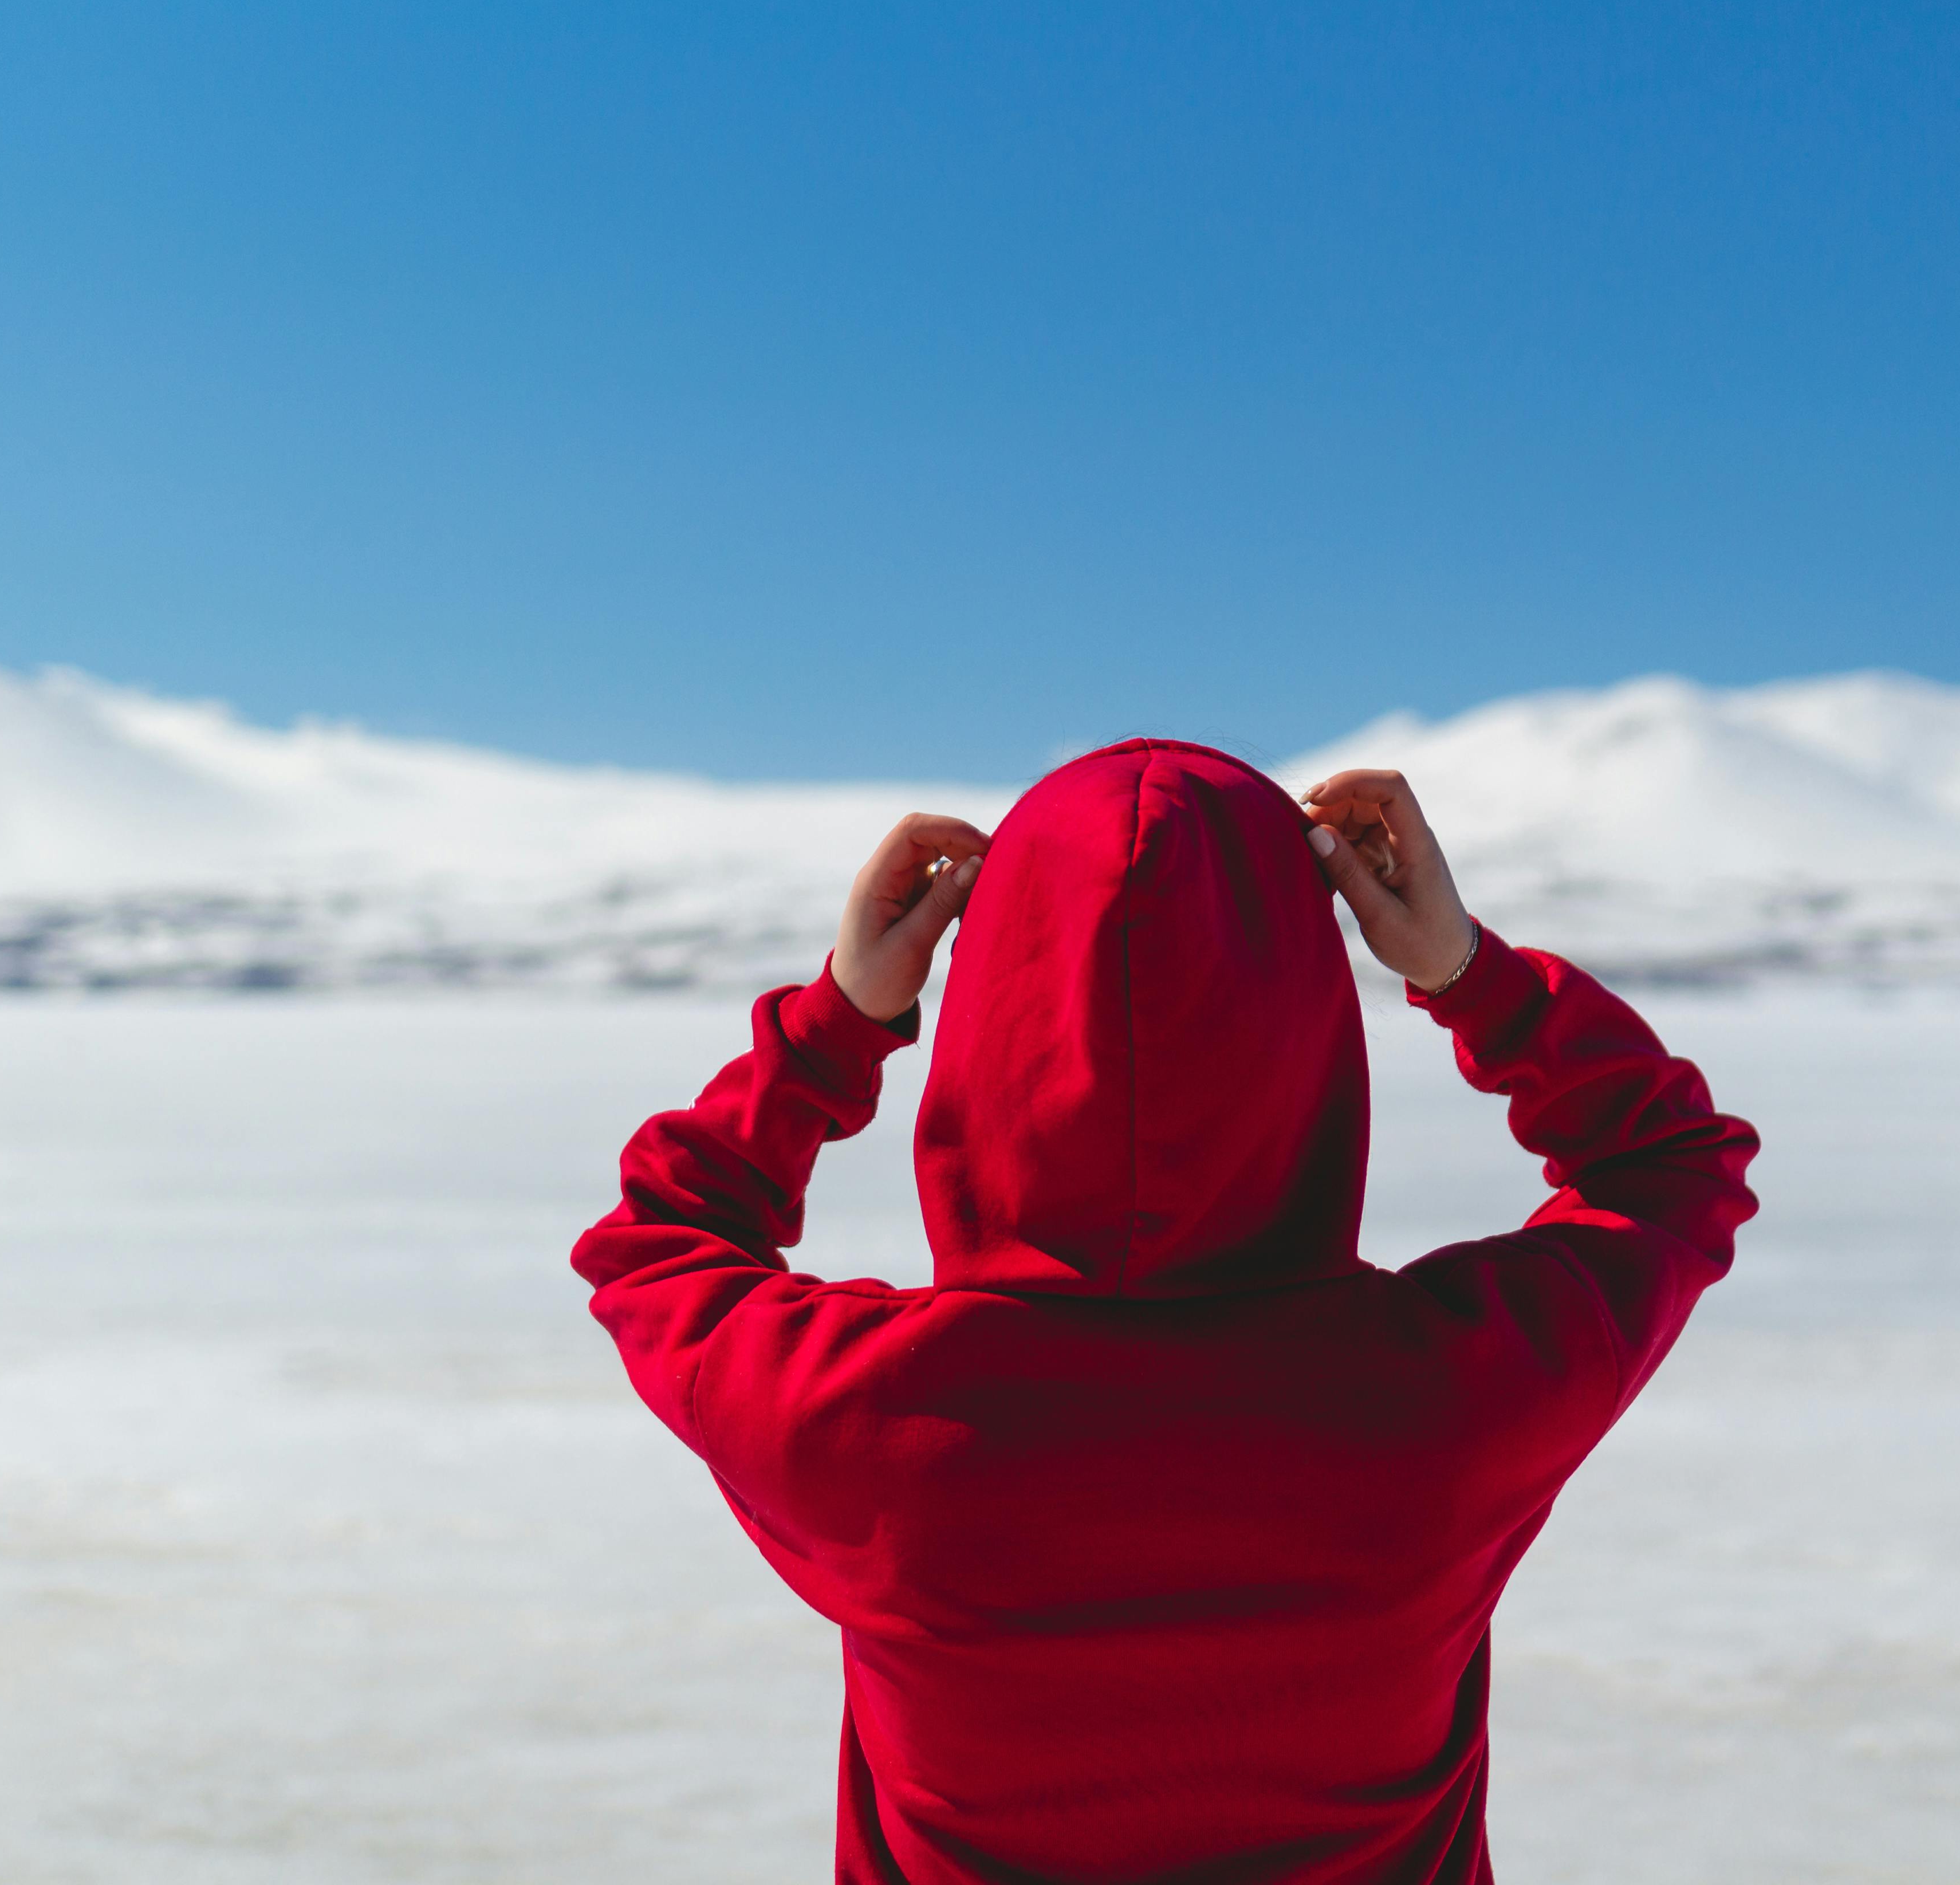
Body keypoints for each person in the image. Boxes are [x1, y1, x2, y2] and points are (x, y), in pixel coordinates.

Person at [571, 738, 1760, 1884]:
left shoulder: (861, 1414)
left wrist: (833, 1028)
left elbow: (657, 1244)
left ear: (996, 1002)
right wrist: (1464, 973)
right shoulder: (1445, 1395)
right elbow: (1668, 1168)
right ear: (1303, 1007)